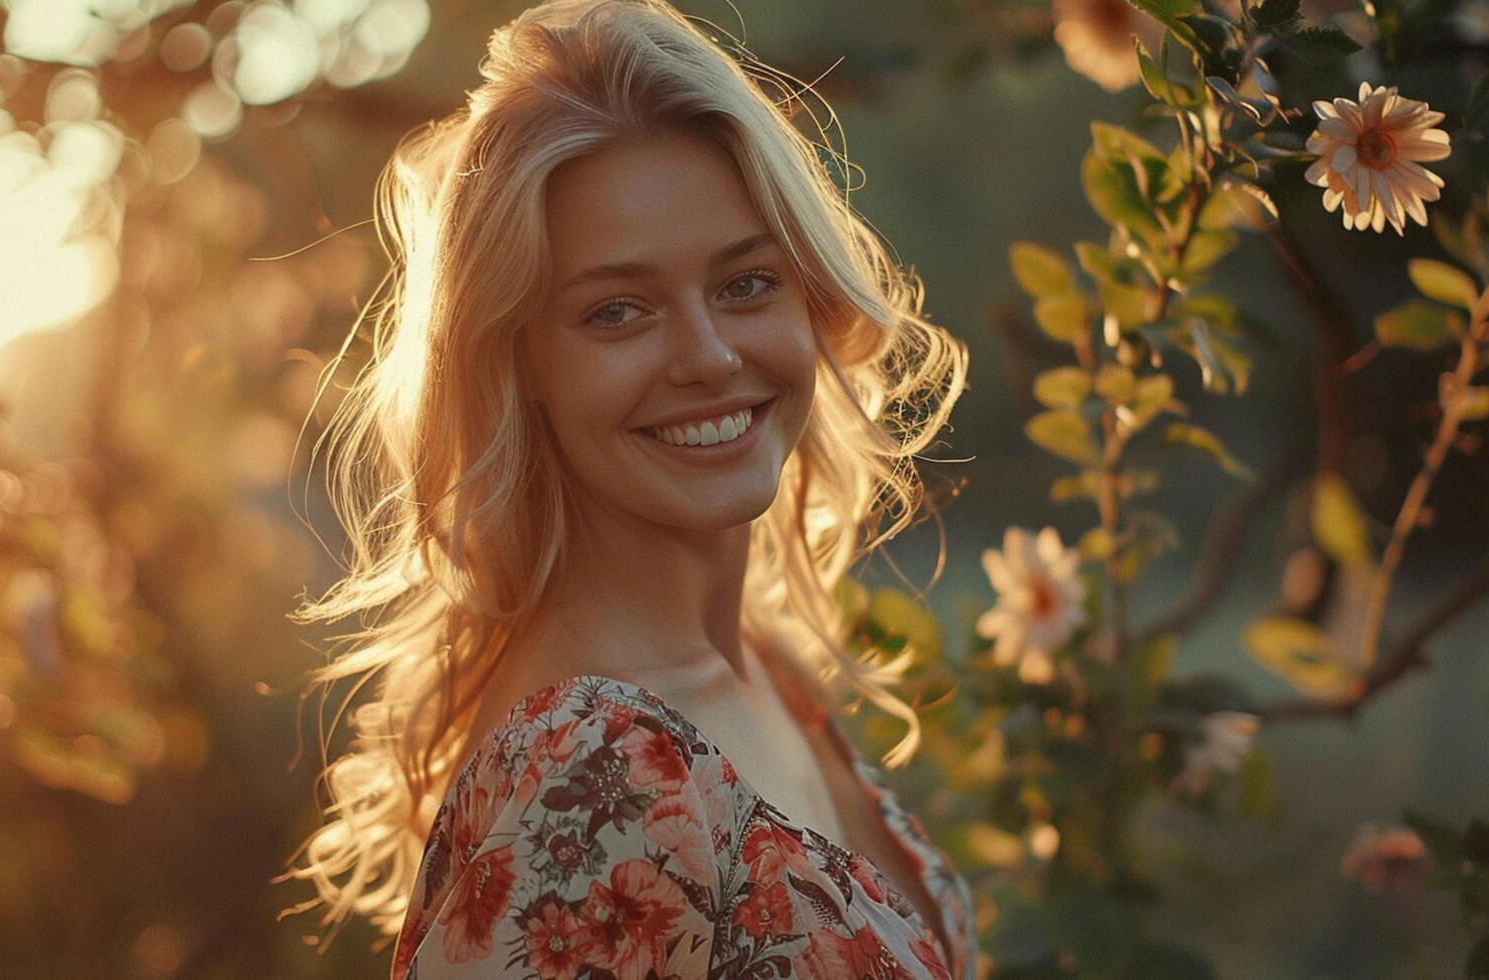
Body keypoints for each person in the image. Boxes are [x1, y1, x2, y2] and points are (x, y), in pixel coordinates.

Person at [279, 0, 974, 976]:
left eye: (745, 283)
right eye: (619, 310)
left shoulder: (762, 667)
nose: (709, 355)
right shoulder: (591, 764)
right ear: (520, 366)